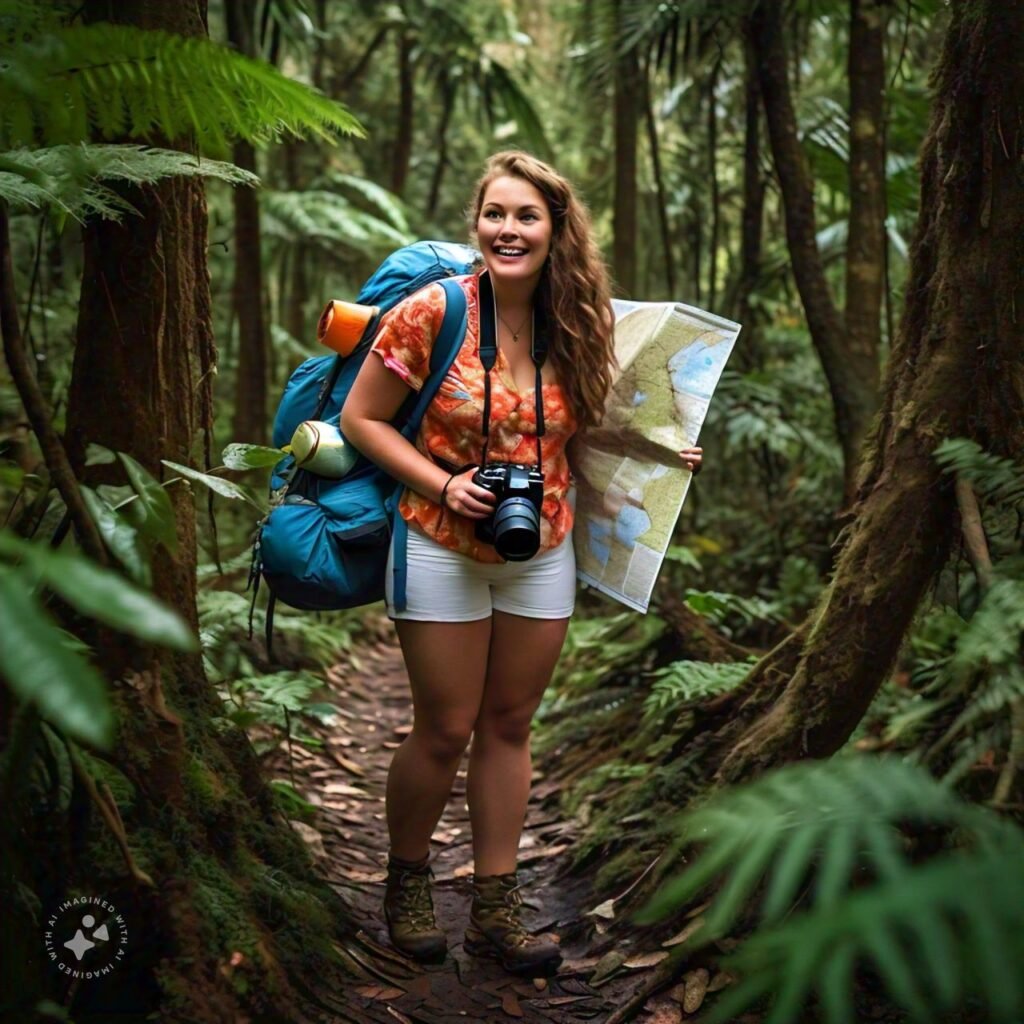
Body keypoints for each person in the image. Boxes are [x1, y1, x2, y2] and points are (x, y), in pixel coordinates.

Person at [341, 151, 703, 974]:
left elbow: (584, 429)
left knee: (508, 724)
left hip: (542, 541)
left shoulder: (579, 319)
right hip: (438, 536)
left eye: (526, 216)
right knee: (444, 726)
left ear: (555, 230)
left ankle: (497, 909)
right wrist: (444, 483)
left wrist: (663, 449)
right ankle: (407, 883)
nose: (509, 229)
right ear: (478, 224)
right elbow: (365, 420)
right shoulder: (433, 311)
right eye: (495, 214)